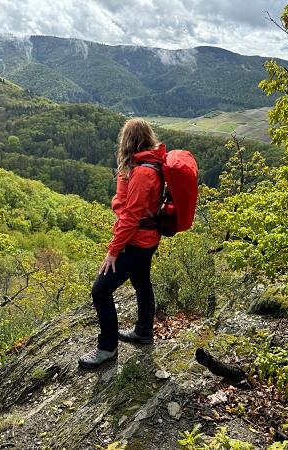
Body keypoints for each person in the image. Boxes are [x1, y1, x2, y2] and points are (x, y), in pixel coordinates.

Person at [78, 118, 165, 369]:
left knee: (101, 290)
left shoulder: (143, 173)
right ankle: (143, 331)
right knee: (141, 282)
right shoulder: (153, 164)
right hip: (149, 239)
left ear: (128, 141)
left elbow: (130, 217)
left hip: (136, 242)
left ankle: (107, 348)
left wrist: (113, 251)